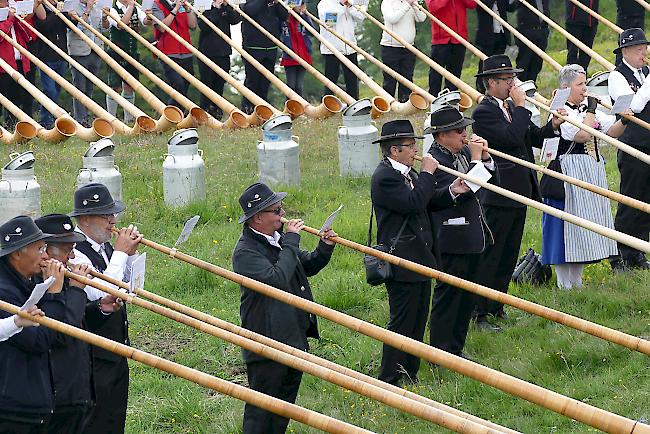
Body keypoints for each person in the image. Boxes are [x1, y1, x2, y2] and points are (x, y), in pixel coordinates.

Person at [232, 182, 337, 434]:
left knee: (283, 410)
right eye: (277, 211)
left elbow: (305, 266)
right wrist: (291, 240)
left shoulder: (275, 240)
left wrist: (325, 246)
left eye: (281, 209)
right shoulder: (245, 252)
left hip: (292, 335)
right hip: (266, 342)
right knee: (261, 413)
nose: (283, 215)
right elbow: (277, 278)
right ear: (258, 217)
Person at [370, 119, 469, 386]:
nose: (416, 151)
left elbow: (427, 201)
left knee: (417, 321)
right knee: (402, 321)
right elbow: (413, 203)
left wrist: (450, 190)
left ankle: (409, 373)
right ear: (394, 150)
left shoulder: (408, 173)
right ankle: (390, 377)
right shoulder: (385, 177)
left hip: (421, 255)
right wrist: (427, 173)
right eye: (410, 146)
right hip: (401, 258)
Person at [471, 54, 564, 329]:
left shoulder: (511, 107)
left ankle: (497, 306)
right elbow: (510, 138)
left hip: (520, 189)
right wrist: (522, 107)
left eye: (512, 78)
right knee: (492, 255)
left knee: (509, 253)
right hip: (498, 192)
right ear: (491, 82)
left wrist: (553, 126)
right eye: (506, 79)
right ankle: (480, 312)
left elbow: (530, 136)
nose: (512, 83)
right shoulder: (484, 111)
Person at [542, 65, 627, 288]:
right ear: (565, 87)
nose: (584, 88)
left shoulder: (587, 109)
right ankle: (563, 282)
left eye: (584, 83)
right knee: (566, 226)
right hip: (568, 169)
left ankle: (576, 280)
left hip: (590, 169)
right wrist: (590, 111)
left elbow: (610, 133)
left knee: (583, 228)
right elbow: (581, 134)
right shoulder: (561, 110)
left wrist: (625, 118)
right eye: (580, 84)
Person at [35, 214, 121, 434]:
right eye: (66, 250)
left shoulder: (58, 277)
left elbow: (79, 318)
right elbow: (64, 330)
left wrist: (100, 308)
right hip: (55, 398)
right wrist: (75, 290)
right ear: (45, 251)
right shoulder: (38, 285)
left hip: (79, 389)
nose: (72, 256)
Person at [68, 183, 142, 434]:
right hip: (93, 357)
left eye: (113, 214)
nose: (113, 221)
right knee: (97, 422)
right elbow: (99, 292)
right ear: (85, 219)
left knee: (115, 418)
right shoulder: (75, 252)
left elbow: (130, 288)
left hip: (116, 348)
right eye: (106, 215)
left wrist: (130, 255)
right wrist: (121, 254)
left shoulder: (107, 247)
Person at [426, 106, 497, 357]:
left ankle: (456, 347)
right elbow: (462, 190)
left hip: (471, 236)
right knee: (448, 299)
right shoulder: (436, 160)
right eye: (458, 131)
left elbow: (488, 179)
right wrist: (477, 161)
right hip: (450, 238)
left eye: (465, 128)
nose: (464, 135)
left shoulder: (463, 152)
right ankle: (440, 351)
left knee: (466, 298)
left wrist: (485, 158)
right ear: (441, 135)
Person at [0, 215, 66, 433]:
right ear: (17, 253)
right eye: (39, 249)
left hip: (33, 404)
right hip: (14, 410)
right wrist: (54, 293)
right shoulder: (4, 291)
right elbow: (40, 340)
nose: (46, 255)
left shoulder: (29, 281)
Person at [607, 28, 650, 271]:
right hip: (633, 145)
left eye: (644, 48)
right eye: (638, 49)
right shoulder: (616, 77)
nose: (643, 53)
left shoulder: (646, 73)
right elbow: (631, 106)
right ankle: (620, 254)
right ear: (625, 51)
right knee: (630, 201)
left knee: (647, 201)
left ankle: (639, 252)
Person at [145, 0, 197, 108]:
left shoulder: (183, 3)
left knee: (185, 86)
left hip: (186, 51)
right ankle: (173, 115)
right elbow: (162, 27)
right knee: (178, 85)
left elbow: (193, 25)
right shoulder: (157, 4)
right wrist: (175, 9)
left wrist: (189, 11)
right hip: (168, 53)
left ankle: (175, 115)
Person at [239, 0, 288, 114]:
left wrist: (277, 3)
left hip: (270, 47)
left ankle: (262, 110)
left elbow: (284, 15)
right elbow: (250, 10)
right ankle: (247, 109)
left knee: (265, 82)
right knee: (252, 81)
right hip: (253, 47)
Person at [67, 0, 109, 127]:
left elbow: (103, 28)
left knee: (90, 87)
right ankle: (80, 119)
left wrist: (105, 18)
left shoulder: (96, 7)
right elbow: (77, 28)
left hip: (95, 50)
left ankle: (87, 116)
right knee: (80, 86)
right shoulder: (71, 7)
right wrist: (88, 10)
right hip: (79, 51)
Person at [197, 0, 240, 119]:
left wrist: (226, 7)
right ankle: (205, 112)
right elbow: (204, 26)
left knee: (220, 84)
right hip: (207, 52)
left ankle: (217, 112)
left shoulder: (225, 8)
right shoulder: (203, 6)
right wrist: (215, 8)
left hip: (223, 52)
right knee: (207, 85)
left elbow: (235, 19)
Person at [105, 0, 146, 125]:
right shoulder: (112, 10)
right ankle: (111, 119)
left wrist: (149, 17)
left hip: (132, 52)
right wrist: (131, 6)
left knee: (130, 86)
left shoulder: (136, 9)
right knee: (115, 86)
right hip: (116, 53)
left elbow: (145, 22)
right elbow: (121, 24)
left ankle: (128, 120)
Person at [425, 0, 475, 97]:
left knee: (455, 70)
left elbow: (472, 4)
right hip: (441, 38)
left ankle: (451, 96)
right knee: (437, 71)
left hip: (459, 37)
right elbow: (433, 7)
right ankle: (433, 97)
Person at [317, 0, 364, 100]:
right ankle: (328, 106)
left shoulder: (350, 3)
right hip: (332, 49)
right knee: (331, 80)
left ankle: (353, 104)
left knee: (352, 79)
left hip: (350, 47)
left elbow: (361, 17)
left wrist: (350, 7)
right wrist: (341, 6)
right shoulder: (324, 4)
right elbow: (328, 21)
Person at [380, 0, 425, 102]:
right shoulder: (387, 2)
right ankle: (387, 102)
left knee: (407, 75)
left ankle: (405, 99)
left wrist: (415, 5)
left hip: (409, 47)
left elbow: (421, 18)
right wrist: (407, 5)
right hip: (390, 47)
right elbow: (392, 19)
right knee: (390, 78)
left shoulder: (411, 3)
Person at [34, 0, 68, 129]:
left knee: (57, 89)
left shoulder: (60, 7)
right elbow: (44, 26)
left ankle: (54, 116)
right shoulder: (40, 8)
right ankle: (45, 119)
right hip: (46, 56)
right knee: (50, 90)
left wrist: (65, 13)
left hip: (61, 55)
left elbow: (70, 23)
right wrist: (56, 13)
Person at [0, 0, 33, 128]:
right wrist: (10, 20)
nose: (6, 6)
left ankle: (13, 124)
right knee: (5, 96)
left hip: (19, 62)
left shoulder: (13, 21)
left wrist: (19, 20)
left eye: (7, 3)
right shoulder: (7, 20)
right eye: (3, 3)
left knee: (17, 95)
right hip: (4, 65)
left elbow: (27, 36)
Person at [280, 2, 313, 99]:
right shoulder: (284, 18)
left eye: (302, 4)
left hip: (304, 54)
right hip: (289, 54)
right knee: (291, 86)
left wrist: (305, 15)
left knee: (299, 86)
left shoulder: (304, 17)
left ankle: (300, 108)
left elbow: (312, 31)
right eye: (299, 4)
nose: (301, 6)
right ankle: (289, 108)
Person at [474, 0, 509, 92]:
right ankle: (481, 87)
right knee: (485, 63)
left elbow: (510, 7)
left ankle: (497, 86)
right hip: (487, 35)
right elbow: (483, 6)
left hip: (501, 34)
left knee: (498, 63)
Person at [512, 0, 549, 83]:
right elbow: (512, 6)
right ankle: (520, 85)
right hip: (526, 30)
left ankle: (532, 84)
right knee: (524, 61)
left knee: (537, 62)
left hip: (542, 30)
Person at [565, 0, 599, 71]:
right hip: (574, 20)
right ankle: (571, 77)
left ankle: (583, 76)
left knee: (586, 53)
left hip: (591, 21)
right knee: (572, 52)